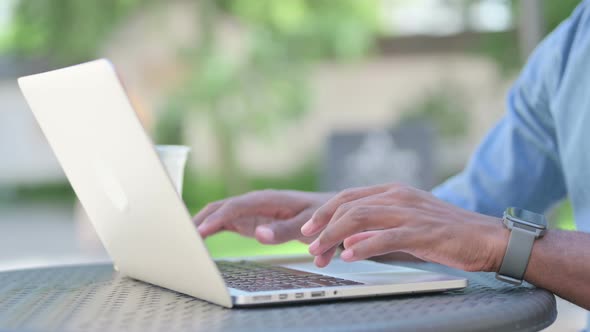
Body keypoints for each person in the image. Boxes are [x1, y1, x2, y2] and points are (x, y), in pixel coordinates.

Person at [194, 0, 590, 312]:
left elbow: (482, 232)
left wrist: (501, 243)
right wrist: (352, 214)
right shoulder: (572, 47)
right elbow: (472, 209)